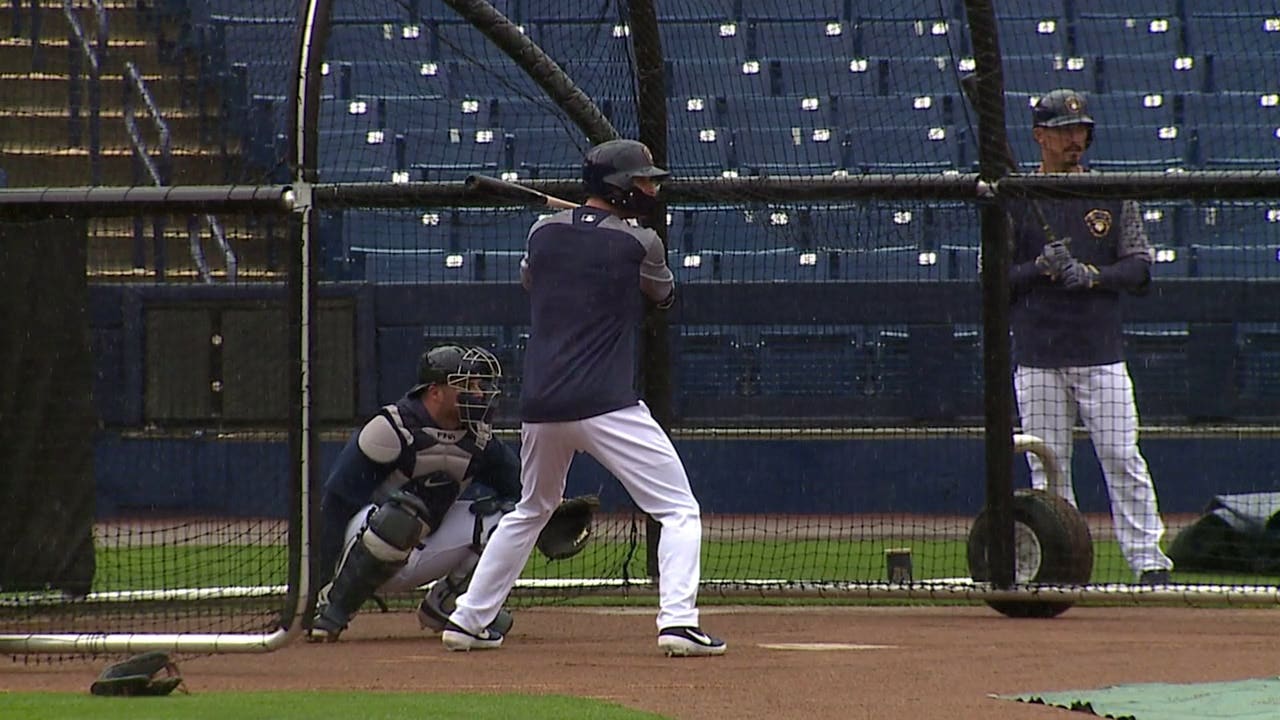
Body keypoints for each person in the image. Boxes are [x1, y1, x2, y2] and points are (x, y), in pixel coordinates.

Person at [442, 139, 726, 657]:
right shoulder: (641, 243)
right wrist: (617, 240)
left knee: (531, 509)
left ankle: (467, 619)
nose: (651, 189)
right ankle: (679, 622)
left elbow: (532, 279)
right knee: (678, 509)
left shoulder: (543, 232)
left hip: (541, 405)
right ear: (619, 188)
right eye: (642, 181)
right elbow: (663, 296)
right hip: (605, 403)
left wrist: (586, 234)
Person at [1007, 88, 1174, 585]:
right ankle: (1061, 562)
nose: (1074, 139)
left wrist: (1093, 275)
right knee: (1049, 466)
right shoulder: (1015, 198)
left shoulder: (1111, 192)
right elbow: (992, 278)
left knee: (1122, 456)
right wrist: (1038, 267)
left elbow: (1140, 267)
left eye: (1080, 130)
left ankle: (1149, 562)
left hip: (1099, 351)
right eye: (1064, 131)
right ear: (1040, 137)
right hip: (1038, 352)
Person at [308, 344, 522, 642]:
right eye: (467, 385)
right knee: (402, 516)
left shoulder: (480, 439)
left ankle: (450, 606)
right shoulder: (392, 428)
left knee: (509, 521)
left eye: (478, 386)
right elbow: (336, 504)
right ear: (435, 392)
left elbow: (521, 493)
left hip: (427, 545)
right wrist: (318, 582)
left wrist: (553, 514)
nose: (478, 394)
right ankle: (333, 609)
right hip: (368, 547)